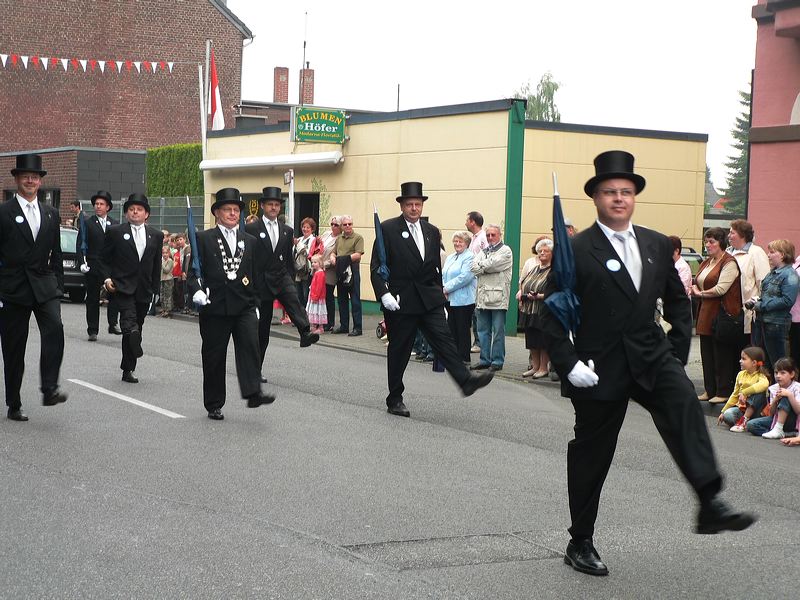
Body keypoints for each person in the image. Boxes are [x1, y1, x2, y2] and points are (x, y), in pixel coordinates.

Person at [542, 150, 755, 577]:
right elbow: (552, 313)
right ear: (596, 198)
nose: (618, 198)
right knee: (592, 453)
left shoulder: (657, 243)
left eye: (625, 191)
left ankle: (709, 501)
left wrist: (676, 353)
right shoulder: (578, 249)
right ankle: (579, 540)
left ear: (634, 196)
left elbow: (679, 301)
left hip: (651, 356)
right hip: (598, 364)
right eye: (609, 192)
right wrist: (568, 363)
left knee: (683, 408)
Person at [370, 181, 494, 418]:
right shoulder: (387, 229)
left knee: (444, 340)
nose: (414, 209)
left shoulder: (431, 231)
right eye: (409, 205)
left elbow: (434, 268)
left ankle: (465, 380)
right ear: (402, 206)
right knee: (400, 350)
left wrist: (441, 299)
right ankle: (395, 397)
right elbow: (377, 266)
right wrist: (383, 293)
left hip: (429, 299)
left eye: (418, 204)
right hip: (401, 300)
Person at [188, 188, 275, 420]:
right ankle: (214, 403)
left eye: (236, 210)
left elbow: (257, 276)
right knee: (214, 356)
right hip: (215, 307)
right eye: (227, 209)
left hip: (244, 306)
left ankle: (253, 391)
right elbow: (194, 272)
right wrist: (196, 291)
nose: (232, 213)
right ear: (217, 213)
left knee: (250, 346)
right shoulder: (203, 239)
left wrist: (257, 303)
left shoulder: (251, 241)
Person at [0, 153, 68, 421]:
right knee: (14, 349)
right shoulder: (4, 212)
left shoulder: (51, 214)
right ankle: (14, 402)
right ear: (16, 179)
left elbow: (57, 253)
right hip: (12, 288)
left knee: (55, 328)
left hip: (43, 285)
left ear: (40, 182)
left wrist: (59, 286)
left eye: (35, 177)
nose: (30, 180)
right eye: (25, 176)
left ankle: (49, 388)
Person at [245, 186, 318, 383]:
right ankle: (255, 369)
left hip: (281, 276)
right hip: (261, 282)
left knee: (294, 300)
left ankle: (305, 331)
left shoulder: (287, 230)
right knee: (262, 330)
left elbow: (287, 257)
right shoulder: (252, 228)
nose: (274, 208)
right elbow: (247, 257)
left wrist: (289, 276)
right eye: (270, 204)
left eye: (277, 205)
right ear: (262, 206)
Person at [101, 193, 164, 384]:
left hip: (144, 288)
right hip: (122, 285)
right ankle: (133, 336)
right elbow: (104, 258)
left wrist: (156, 290)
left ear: (147, 214)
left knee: (137, 327)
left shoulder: (156, 235)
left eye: (139, 209)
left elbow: (156, 265)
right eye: (131, 209)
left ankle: (128, 368)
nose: (135, 212)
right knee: (129, 322)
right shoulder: (116, 232)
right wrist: (106, 278)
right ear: (127, 213)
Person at [691, 227, 743, 404]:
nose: (708, 245)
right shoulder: (707, 262)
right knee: (707, 353)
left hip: (722, 314)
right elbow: (697, 281)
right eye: (706, 241)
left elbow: (721, 288)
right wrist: (696, 290)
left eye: (712, 241)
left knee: (722, 354)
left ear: (721, 243)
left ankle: (723, 391)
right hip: (705, 312)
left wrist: (700, 293)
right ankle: (710, 389)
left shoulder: (729, 262)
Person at [76, 190, 121, 340]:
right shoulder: (88, 223)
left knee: (114, 294)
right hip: (93, 264)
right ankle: (93, 330)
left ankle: (113, 323)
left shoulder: (114, 224)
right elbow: (80, 244)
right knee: (93, 298)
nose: (98, 206)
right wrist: (82, 263)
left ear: (108, 207)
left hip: (110, 266)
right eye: (96, 204)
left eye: (101, 204)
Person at [750, 239, 800, 371]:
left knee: (778, 364)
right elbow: (768, 295)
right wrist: (757, 300)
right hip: (762, 322)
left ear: (782, 255)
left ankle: (781, 392)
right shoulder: (772, 273)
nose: (768, 255)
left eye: (772, 252)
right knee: (763, 364)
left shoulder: (790, 275)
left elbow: (787, 300)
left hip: (776, 325)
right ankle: (764, 391)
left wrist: (761, 305)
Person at [470, 224, 513, 372]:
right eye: (488, 235)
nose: (490, 238)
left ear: (500, 235)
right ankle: (484, 359)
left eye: (493, 235)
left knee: (498, 331)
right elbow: (473, 267)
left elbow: (494, 265)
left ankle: (497, 361)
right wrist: (485, 266)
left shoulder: (506, 251)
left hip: (498, 298)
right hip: (482, 298)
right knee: (483, 331)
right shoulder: (483, 251)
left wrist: (482, 266)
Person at [727, 219, 770, 348]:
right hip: (728, 313)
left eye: (732, 233)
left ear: (743, 235)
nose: (729, 236)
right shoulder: (728, 253)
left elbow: (763, 283)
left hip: (747, 313)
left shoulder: (756, 253)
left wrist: (756, 305)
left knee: (746, 350)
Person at [518, 238, 555, 378]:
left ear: (552, 253)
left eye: (546, 251)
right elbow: (524, 283)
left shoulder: (554, 271)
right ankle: (535, 367)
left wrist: (539, 296)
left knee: (543, 340)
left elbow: (555, 292)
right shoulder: (534, 268)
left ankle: (543, 367)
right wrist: (523, 294)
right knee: (532, 339)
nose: (542, 253)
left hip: (544, 311)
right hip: (529, 309)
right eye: (540, 251)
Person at [442, 231, 476, 363]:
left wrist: (446, 288)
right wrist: (442, 288)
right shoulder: (451, 257)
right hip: (449, 298)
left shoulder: (470, 257)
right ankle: (454, 356)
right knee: (451, 328)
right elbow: (444, 274)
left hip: (464, 300)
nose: (457, 244)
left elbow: (465, 277)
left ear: (466, 243)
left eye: (460, 241)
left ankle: (464, 357)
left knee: (462, 329)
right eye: (455, 241)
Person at [718, 346, 771, 431]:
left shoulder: (761, 376)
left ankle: (744, 421)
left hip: (758, 411)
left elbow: (764, 385)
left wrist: (744, 392)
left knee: (758, 392)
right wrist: (723, 411)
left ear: (754, 363)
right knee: (727, 415)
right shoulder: (740, 374)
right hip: (742, 409)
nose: (740, 361)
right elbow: (735, 395)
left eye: (743, 359)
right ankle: (744, 422)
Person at [746, 357, 800, 438]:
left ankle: (779, 430)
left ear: (792, 374)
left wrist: (790, 395)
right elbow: (771, 413)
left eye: (782, 373)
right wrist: (775, 400)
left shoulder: (797, 387)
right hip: (776, 418)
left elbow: (798, 411)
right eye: (776, 373)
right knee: (751, 425)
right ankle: (784, 434)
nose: (778, 376)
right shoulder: (773, 388)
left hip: (793, 420)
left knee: (785, 397)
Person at [333, 214, 364, 336]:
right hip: (341, 270)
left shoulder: (358, 238)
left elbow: (358, 255)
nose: (347, 226)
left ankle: (358, 328)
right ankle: (344, 326)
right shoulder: (339, 239)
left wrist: (342, 259)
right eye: (345, 224)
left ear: (352, 224)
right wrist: (333, 258)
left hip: (352, 270)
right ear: (342, 226)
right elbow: (333, 252)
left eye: (349, 224)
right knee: (342, 299)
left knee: (355, 300)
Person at [466, 211, 487, 353]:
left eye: (467, 220)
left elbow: (486, 256)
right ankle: (477, 341)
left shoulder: (483, 238)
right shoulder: (474, 238)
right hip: (472, 281)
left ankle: (479, 343)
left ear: (473, 221)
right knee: (474, 314)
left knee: (477, 314)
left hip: (479, 280)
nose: (465, 223)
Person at [319, 216, 341, 332]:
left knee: (328, 296)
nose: (333, 226)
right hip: (319, 270)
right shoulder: (326, 233)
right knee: (320, 297)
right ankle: (320, 320)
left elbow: (335, 256)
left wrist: (324, 265)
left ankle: (330, 322)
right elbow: (319, 248)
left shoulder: (340, 239)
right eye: (332, 224)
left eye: (336, 225)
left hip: (329, 271)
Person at [293, 217, 318, 306]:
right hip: (297, 270)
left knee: (305, 294)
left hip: (306, 270)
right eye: (304, 227)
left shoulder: (313, 240)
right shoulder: (299, 238)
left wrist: (298, 244)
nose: (305, 229)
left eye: (308, 227)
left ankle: (306, 315)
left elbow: (308, 253)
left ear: (312, 229)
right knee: (298, 294)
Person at [306, 254, 328, 334]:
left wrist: (315, 296)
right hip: (313, 295)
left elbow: (319, 287)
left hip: (317, 297)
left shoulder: (320, 273)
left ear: (320, 263)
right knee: (314, 311)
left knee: (318, 311)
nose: (313, 264)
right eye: (312, 262)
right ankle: (314, 326)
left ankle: (320, 327)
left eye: (315, 262)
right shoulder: (316, 272)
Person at [159, 245, 174, 317]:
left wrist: (161, 263)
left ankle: (168, 310)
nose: (164, 254)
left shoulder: (170, 261)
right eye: (163, 253)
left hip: (168, 279)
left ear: (169, 253)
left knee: (168, 295)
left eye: (166, 253)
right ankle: (163, 308)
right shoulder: (163, 260)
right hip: (162, 279)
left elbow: (167, 270)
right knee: (163, 295)